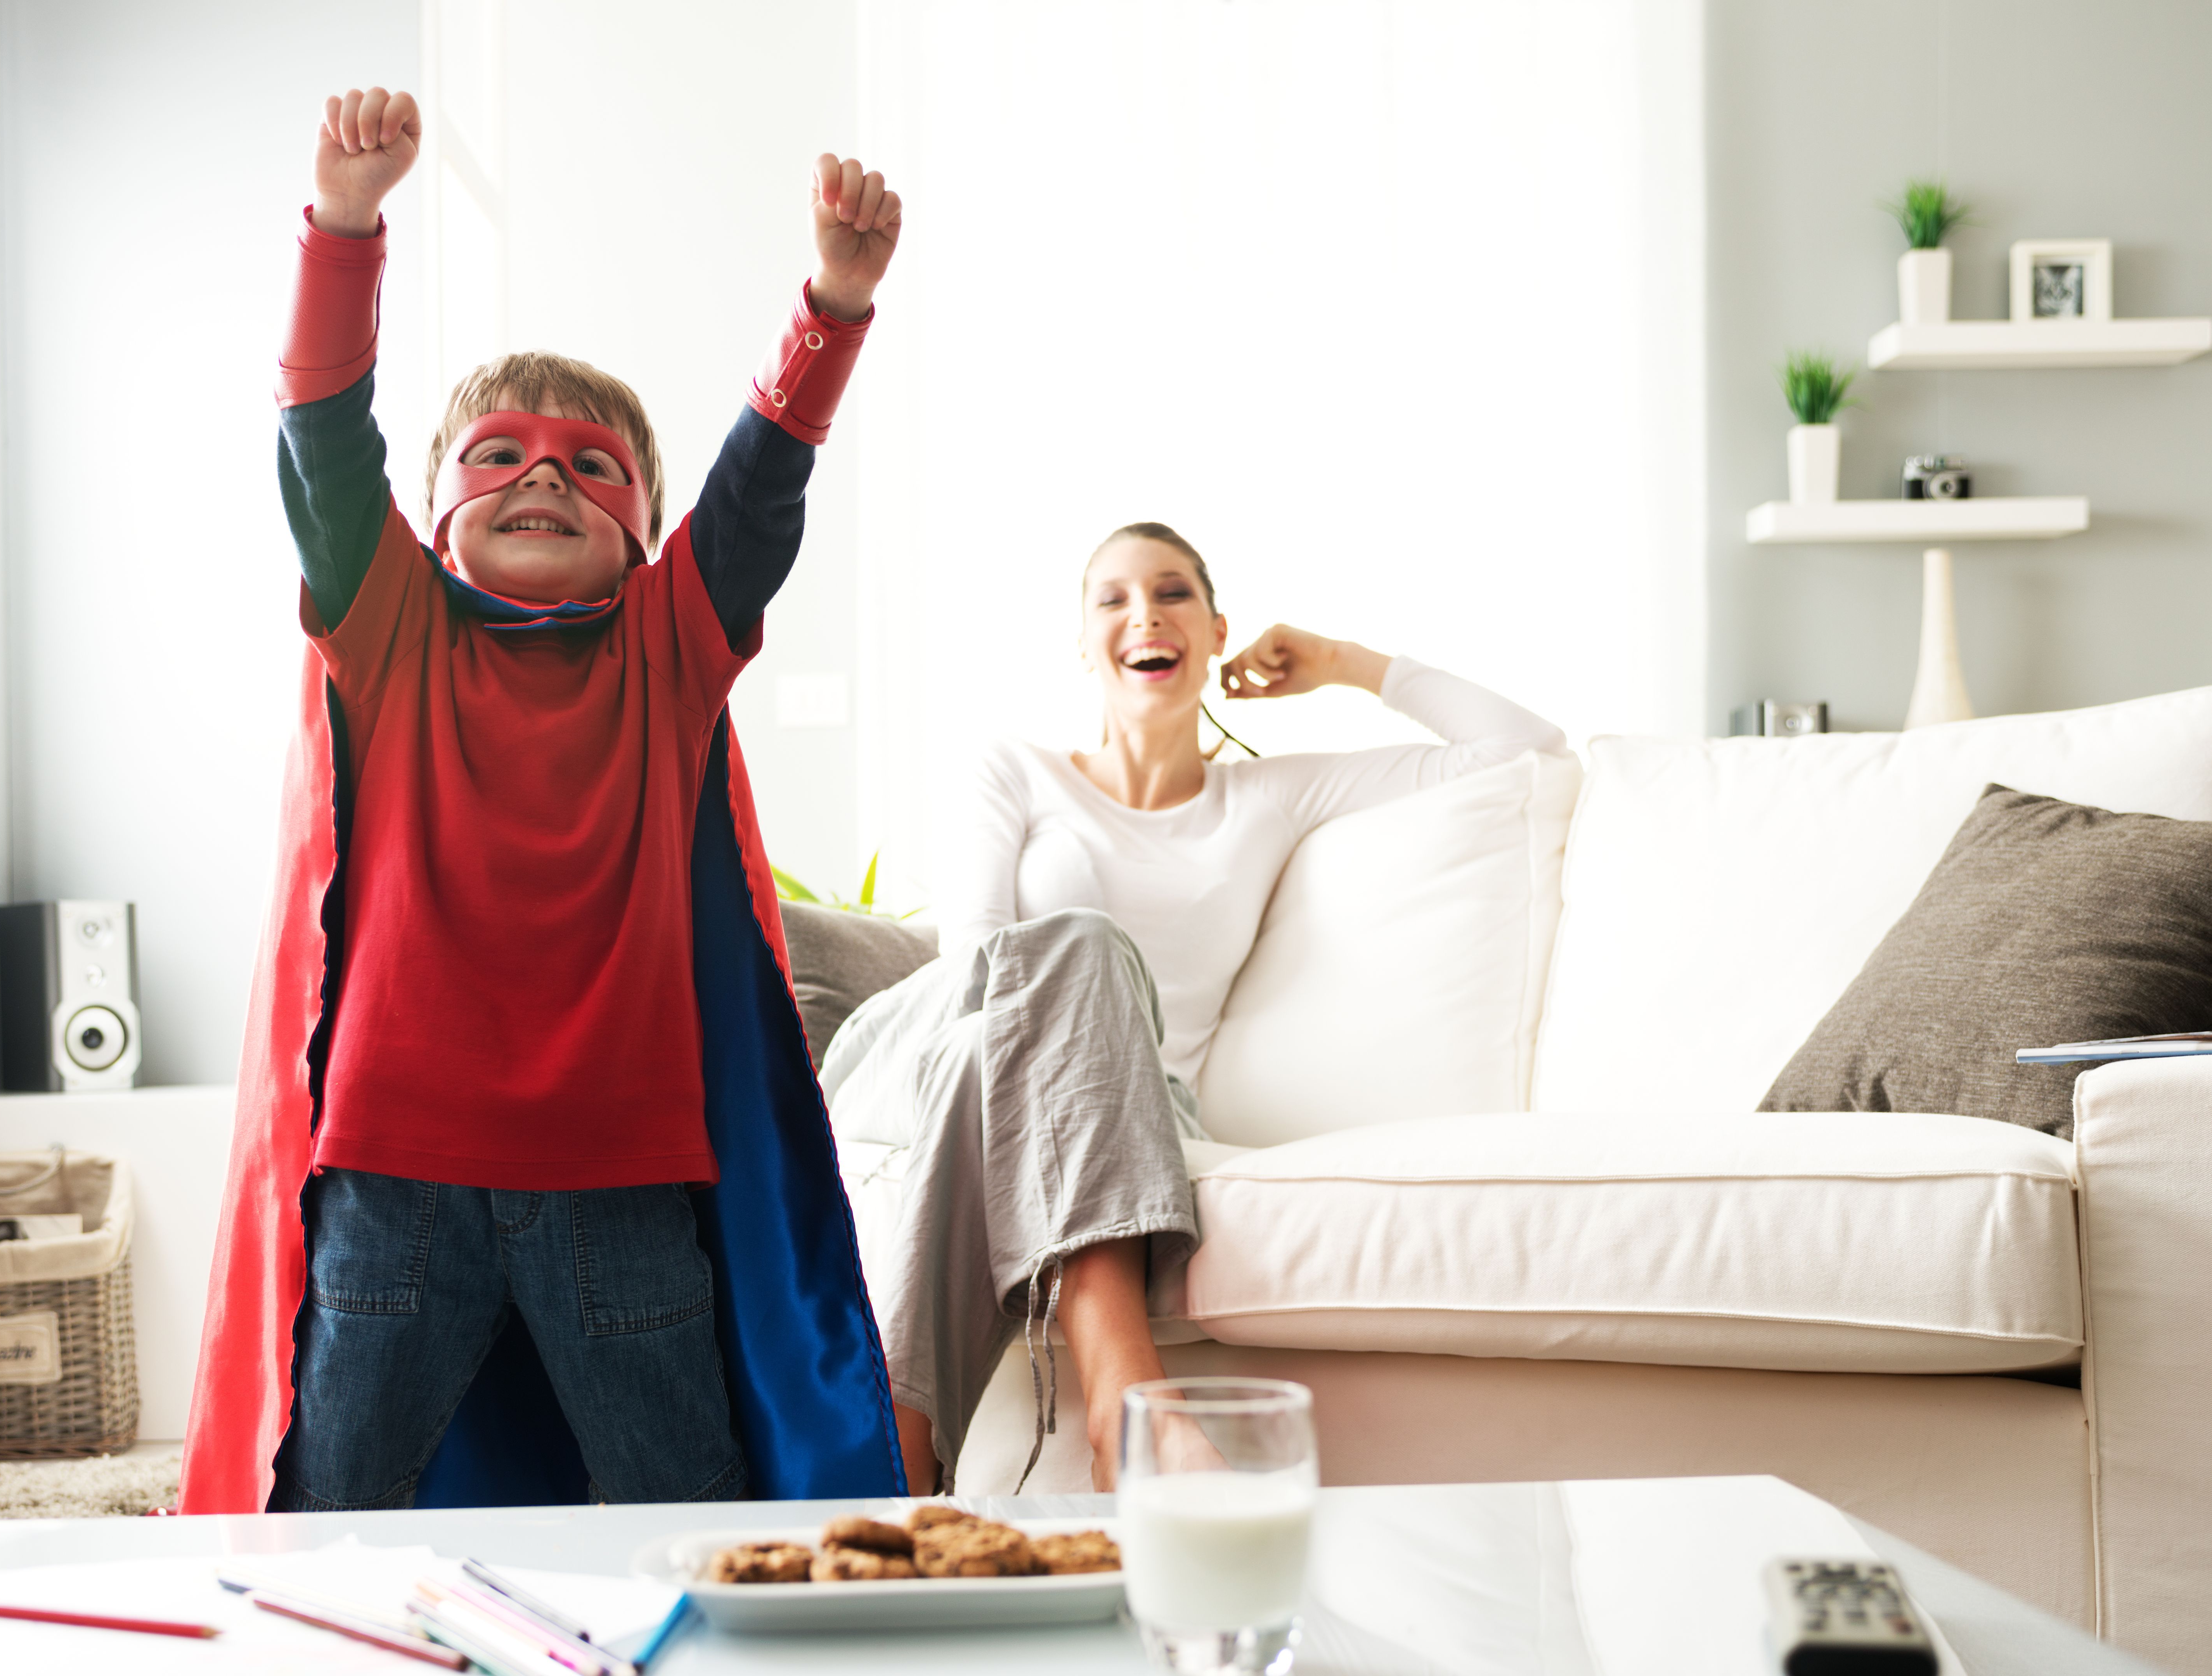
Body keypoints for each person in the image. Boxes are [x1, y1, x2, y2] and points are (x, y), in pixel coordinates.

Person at [180, 85, 907, 1513]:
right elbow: (323, 441)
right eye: (499, 456)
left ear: (639, 530)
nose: (542, 479)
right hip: (391, 1191)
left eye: (590, 469)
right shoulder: (388, 628)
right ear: (439, 511)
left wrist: (829, 304)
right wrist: (343, 226)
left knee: (685, 1518)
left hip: (619, 1188)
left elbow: (759, 493)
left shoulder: (669, 645)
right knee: (326, 1518)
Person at [823, 521, 1569, 1493]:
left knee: (1043, 1024)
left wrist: (1345, 663)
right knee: (1080, 948)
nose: (1145, 614)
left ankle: (900, 1464)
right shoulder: (1016, 770)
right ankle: (1130, 1413)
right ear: (1083, 645)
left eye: (1173, 593)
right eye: (1113, 598)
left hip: (1131, 1111)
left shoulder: (1269, 799)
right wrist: (1076, 993)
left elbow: (1525, 747)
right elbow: (978, 972)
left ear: (1217, 632)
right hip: (934, 1043)